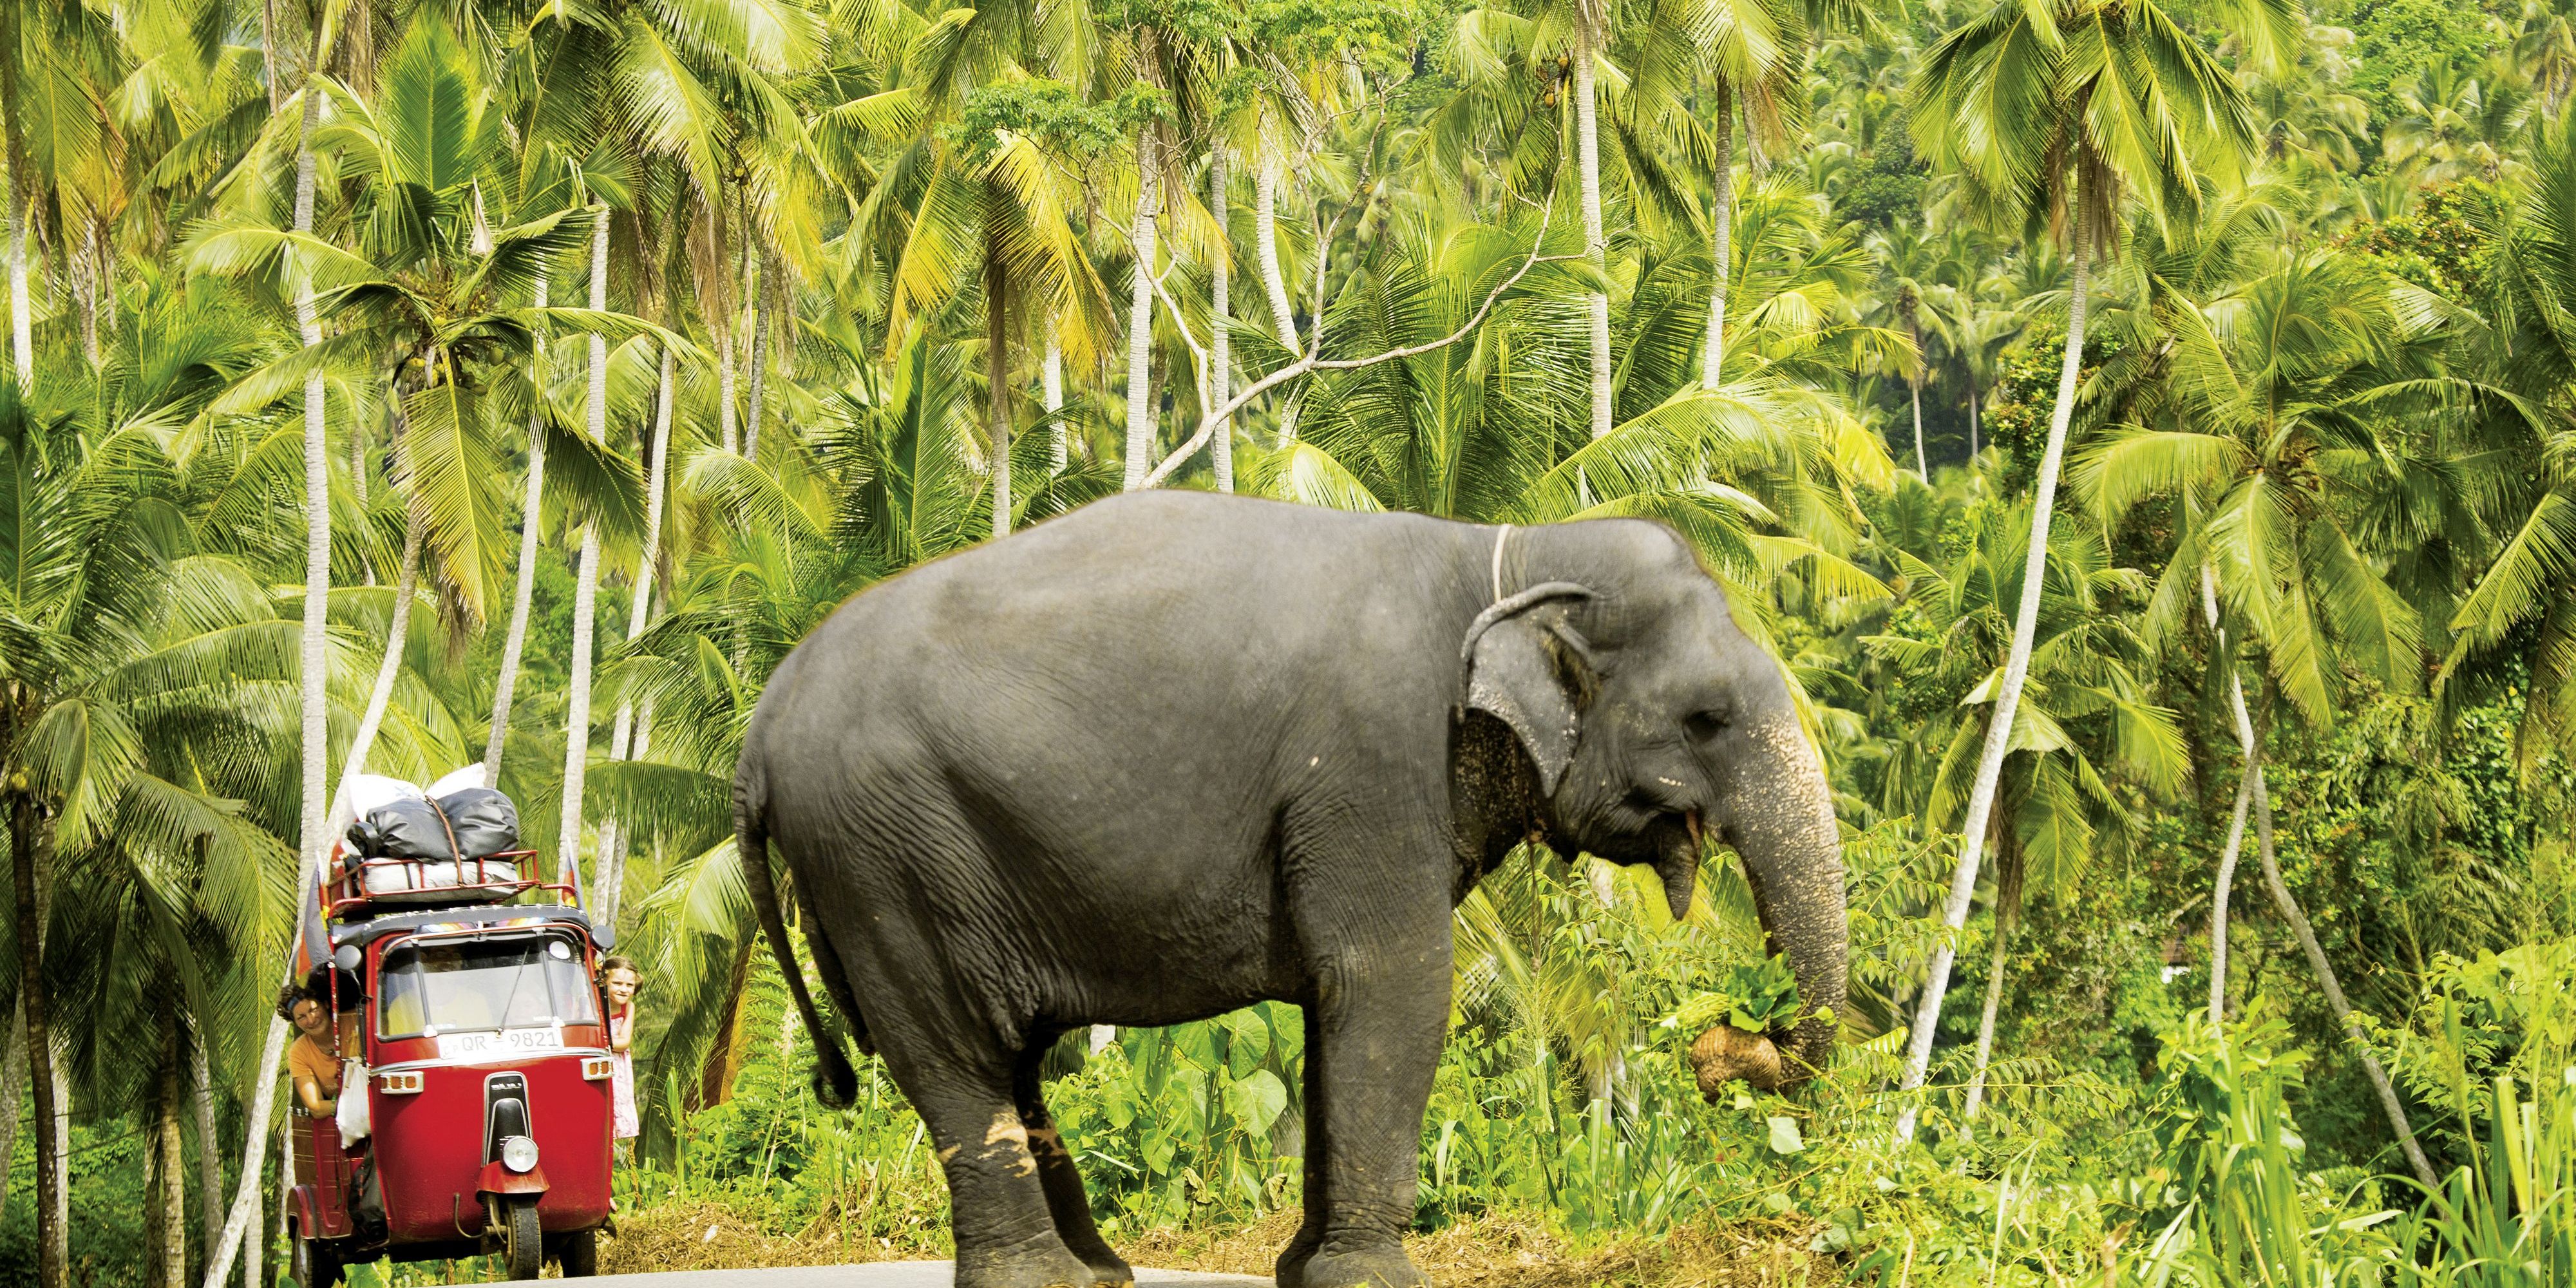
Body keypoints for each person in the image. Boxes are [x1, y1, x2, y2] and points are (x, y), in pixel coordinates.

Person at [602, 956, 641, 1147]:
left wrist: (601, 1041)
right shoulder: (595, 1004)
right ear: (604, 982)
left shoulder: (629, 1007)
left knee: (617, 1099)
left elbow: (624, 1042)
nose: (623, 989)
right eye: (617, 983)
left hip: (617, 1065)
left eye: (629, 985)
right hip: (598, 1059)